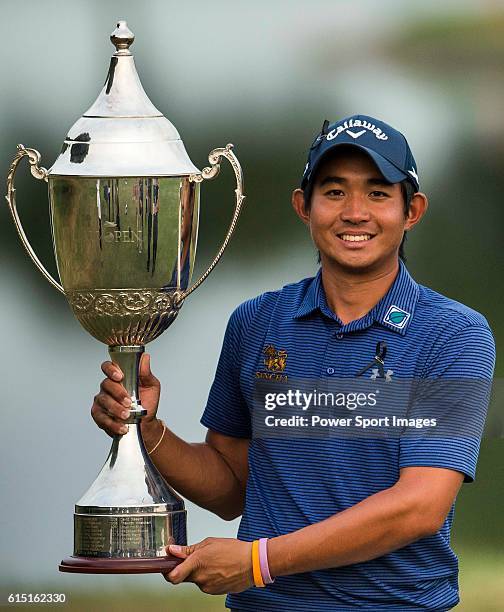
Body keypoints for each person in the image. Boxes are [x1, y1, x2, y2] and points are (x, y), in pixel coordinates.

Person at [92, 115, 495, 611]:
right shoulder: (256, 323)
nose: (354, 213)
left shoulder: (454, 333)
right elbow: (231, 488)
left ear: (412, 211)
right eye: (333, 192)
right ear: (303, 206)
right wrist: (147, 428)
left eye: (377, 193)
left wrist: (258, 561)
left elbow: (419, 508)